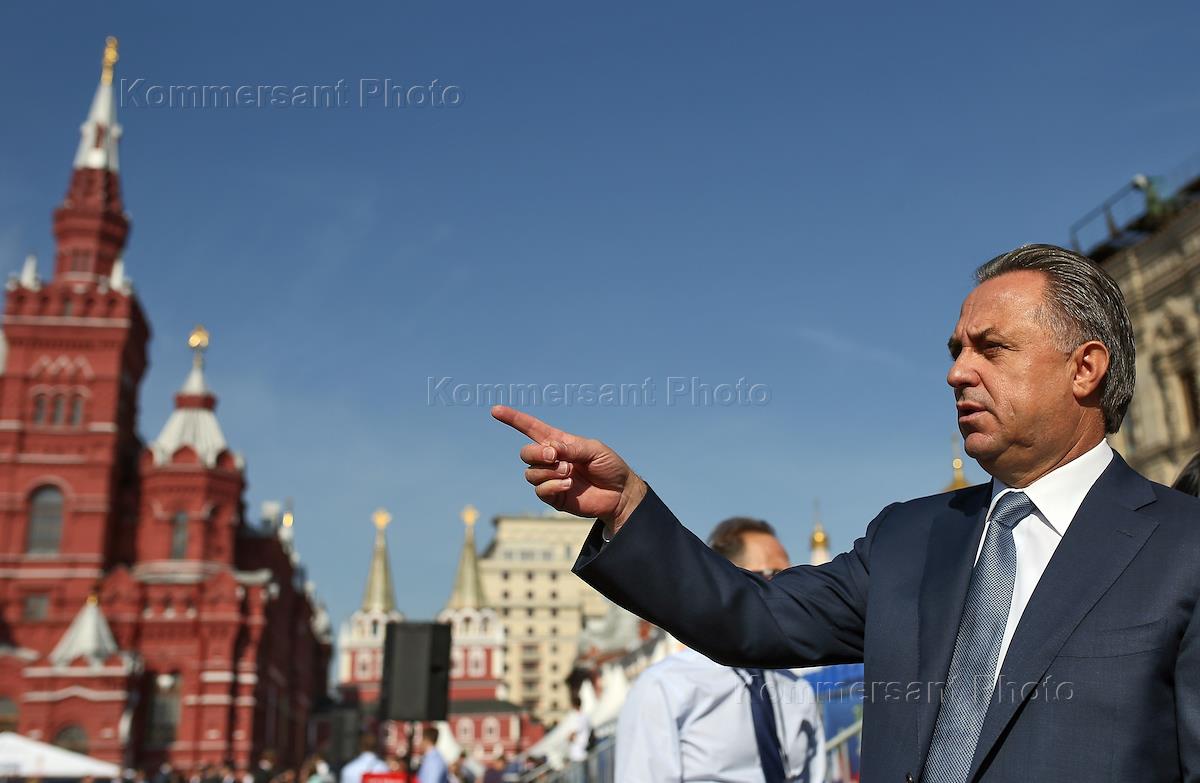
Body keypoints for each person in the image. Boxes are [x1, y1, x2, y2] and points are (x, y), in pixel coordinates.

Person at [494, 243, 1200, 782]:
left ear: (1085, 368)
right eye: (957, 351)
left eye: (992, 349)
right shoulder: (910, 538)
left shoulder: (1182, 546)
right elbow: (753, 616)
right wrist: (627, 507)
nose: (957, 372)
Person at [617, 515, 825, 782]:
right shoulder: (665, 687)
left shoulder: (796, 687)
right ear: (728, 582)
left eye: (793, 576)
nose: (790, 590)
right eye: (775, 575)